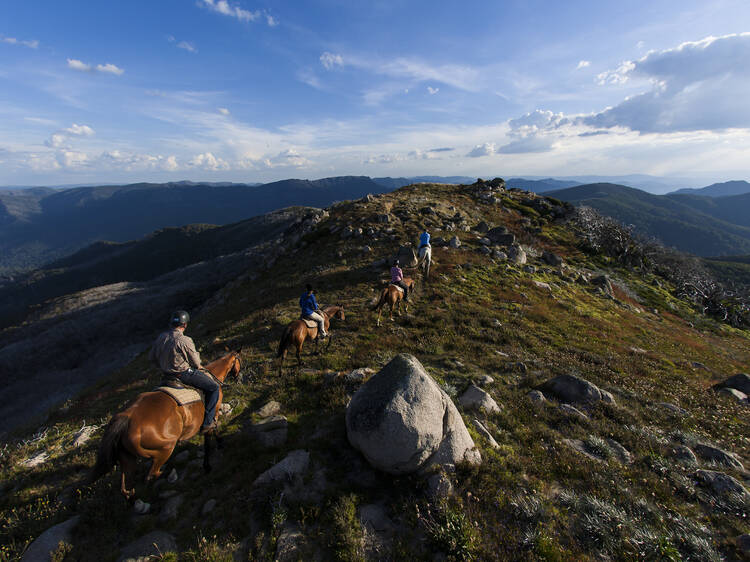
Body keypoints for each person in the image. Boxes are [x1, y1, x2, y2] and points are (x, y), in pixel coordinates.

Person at [149, 310, 220, 434]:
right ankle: (208, 423)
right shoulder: (184, 340)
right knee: (213, 387)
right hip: (183, 374)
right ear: (185, 325)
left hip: (166, 376)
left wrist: (162, 366)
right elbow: (196, 363)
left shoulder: (161, 337)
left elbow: (152, 358)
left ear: (171, 323)